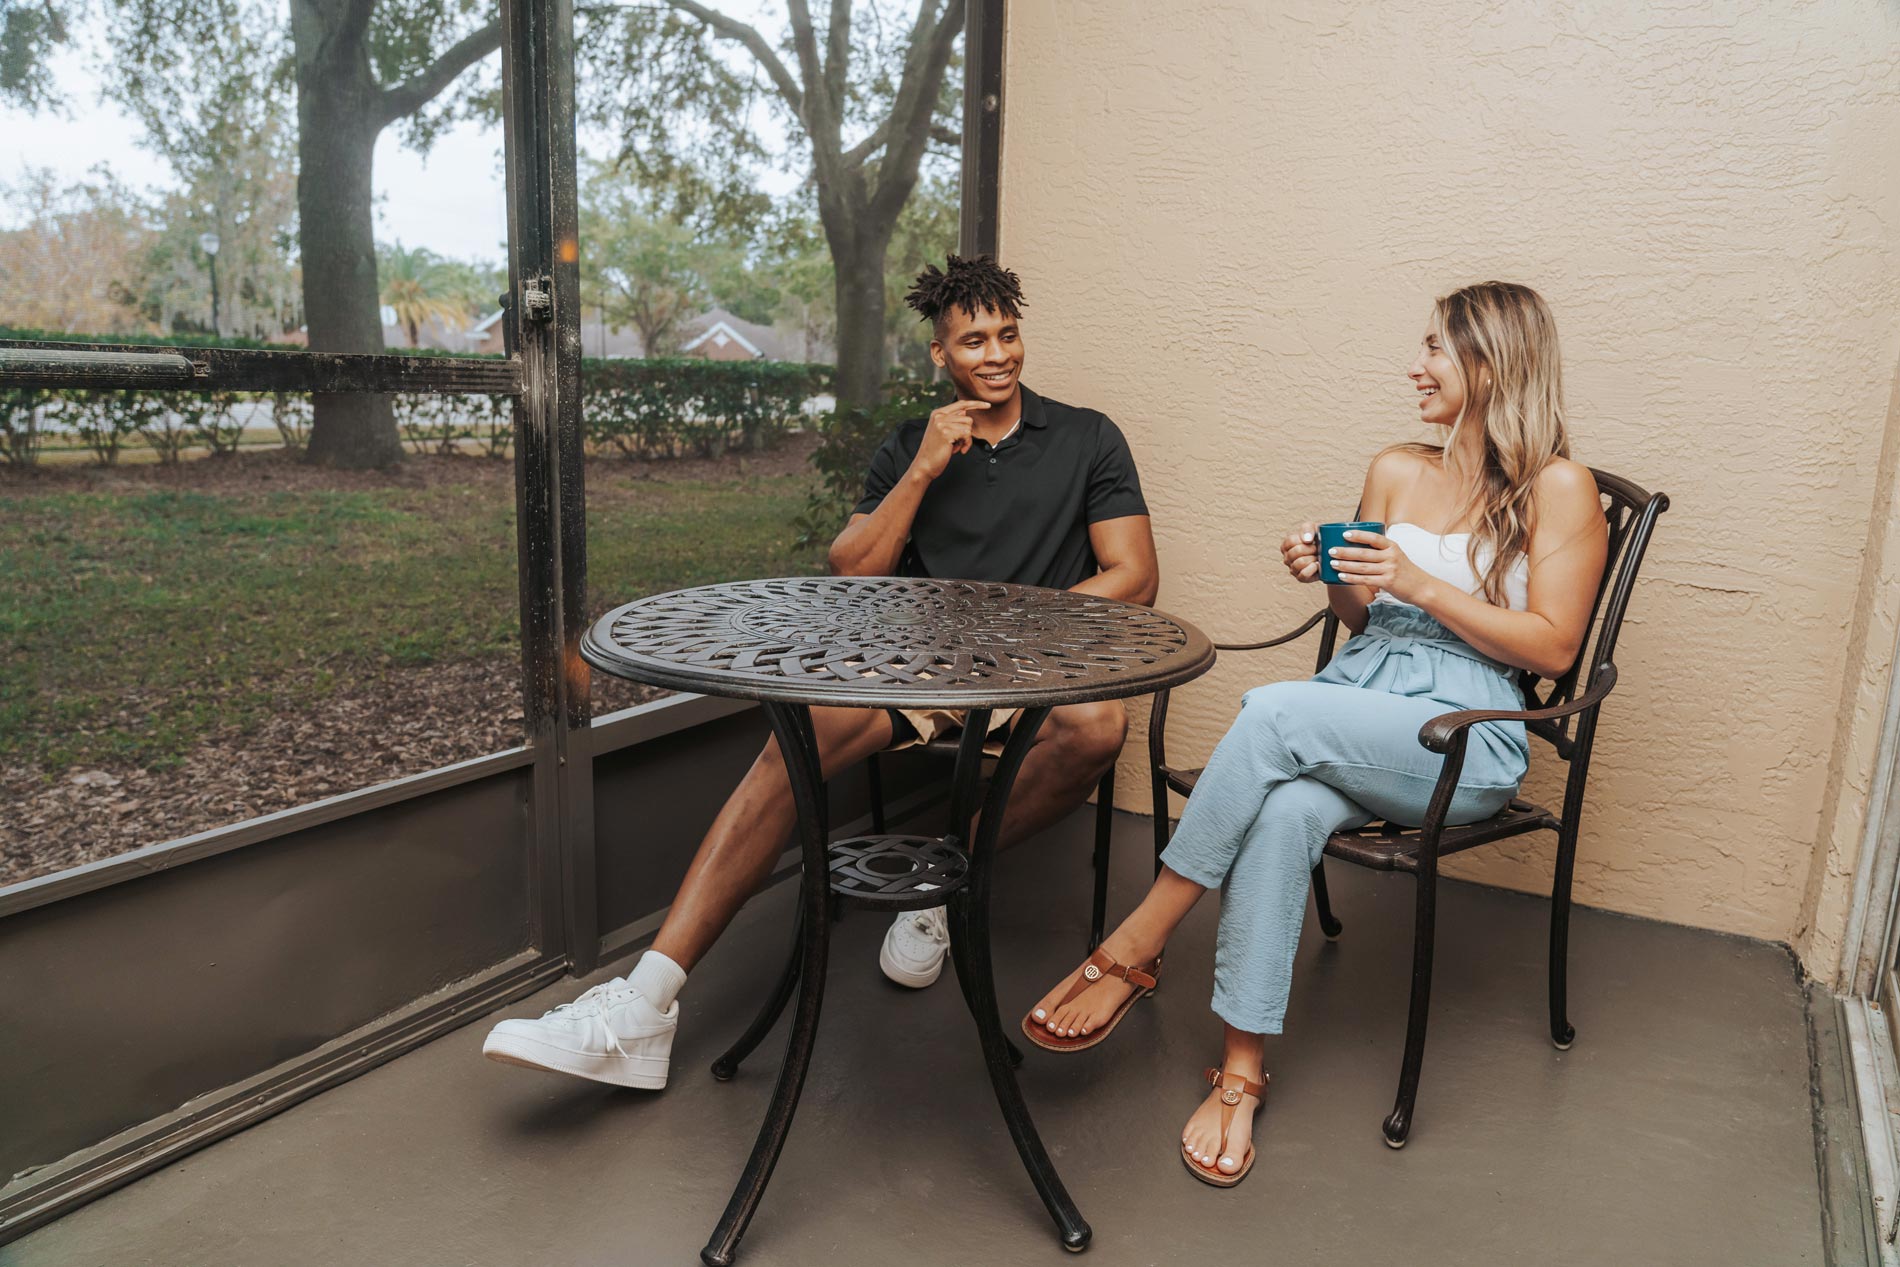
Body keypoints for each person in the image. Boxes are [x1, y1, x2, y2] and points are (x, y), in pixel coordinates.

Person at [483, 254, 1160, 1088]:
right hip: (918, 667)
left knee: (1101, 725)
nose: (997, 354)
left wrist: (1013, 642)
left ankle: (938, 885)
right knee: (790, 747)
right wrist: (921, 470)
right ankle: (645, 1005)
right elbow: (852, 569)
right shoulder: (913, 446)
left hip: (1037, 666)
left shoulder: (1088, 437)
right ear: (941, 356)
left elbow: (1133, 574)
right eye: (974, 340)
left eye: (1008, 334)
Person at [1021, 281, 1608, 1187]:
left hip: (1468, 730)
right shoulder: (1396, 467)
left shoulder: (1558, 488)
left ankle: (1136, 942)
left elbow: (1557, 646)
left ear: (1492, 363)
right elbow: (1365, 620)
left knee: (1273, 711)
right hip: (1361, 701)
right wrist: (1329, 573)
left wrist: (1417, 581)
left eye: (1436, 349)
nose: (1415, 365)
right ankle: (1242, 1071)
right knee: (1287, 806)